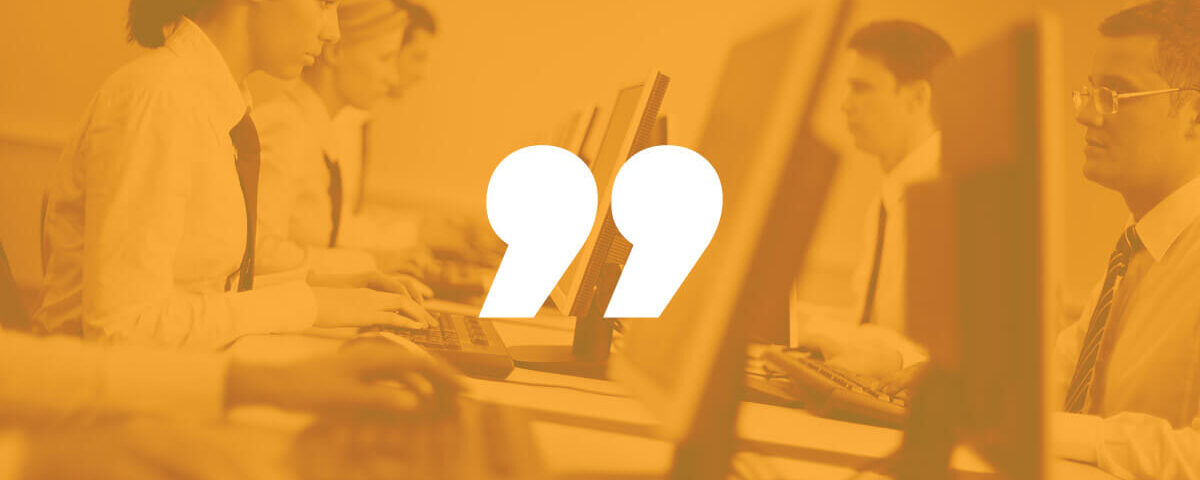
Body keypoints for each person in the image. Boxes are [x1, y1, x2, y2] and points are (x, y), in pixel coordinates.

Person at [36, 0, 435, 349]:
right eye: (323, 2)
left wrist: (330, 288)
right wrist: (308, 304)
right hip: (101, 398)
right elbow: (123, 330)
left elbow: (204, 289)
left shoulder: (216, 104)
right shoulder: (160, 99)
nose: (332, 32)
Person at [1054, 1, 1200, 477]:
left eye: (1114, 94)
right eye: (1089, 92)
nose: (1085, 115)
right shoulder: (1134, 248)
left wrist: (1062, 432)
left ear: (1195, 115)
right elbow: (1060, 381)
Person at [792, 20, 954, 384]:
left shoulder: (956, 197)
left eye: (861, 88)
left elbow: (965, 360)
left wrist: (895, 359)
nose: (845, 105)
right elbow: (874, 328)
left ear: (918, 98)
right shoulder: (890, 195)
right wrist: (795, 321)